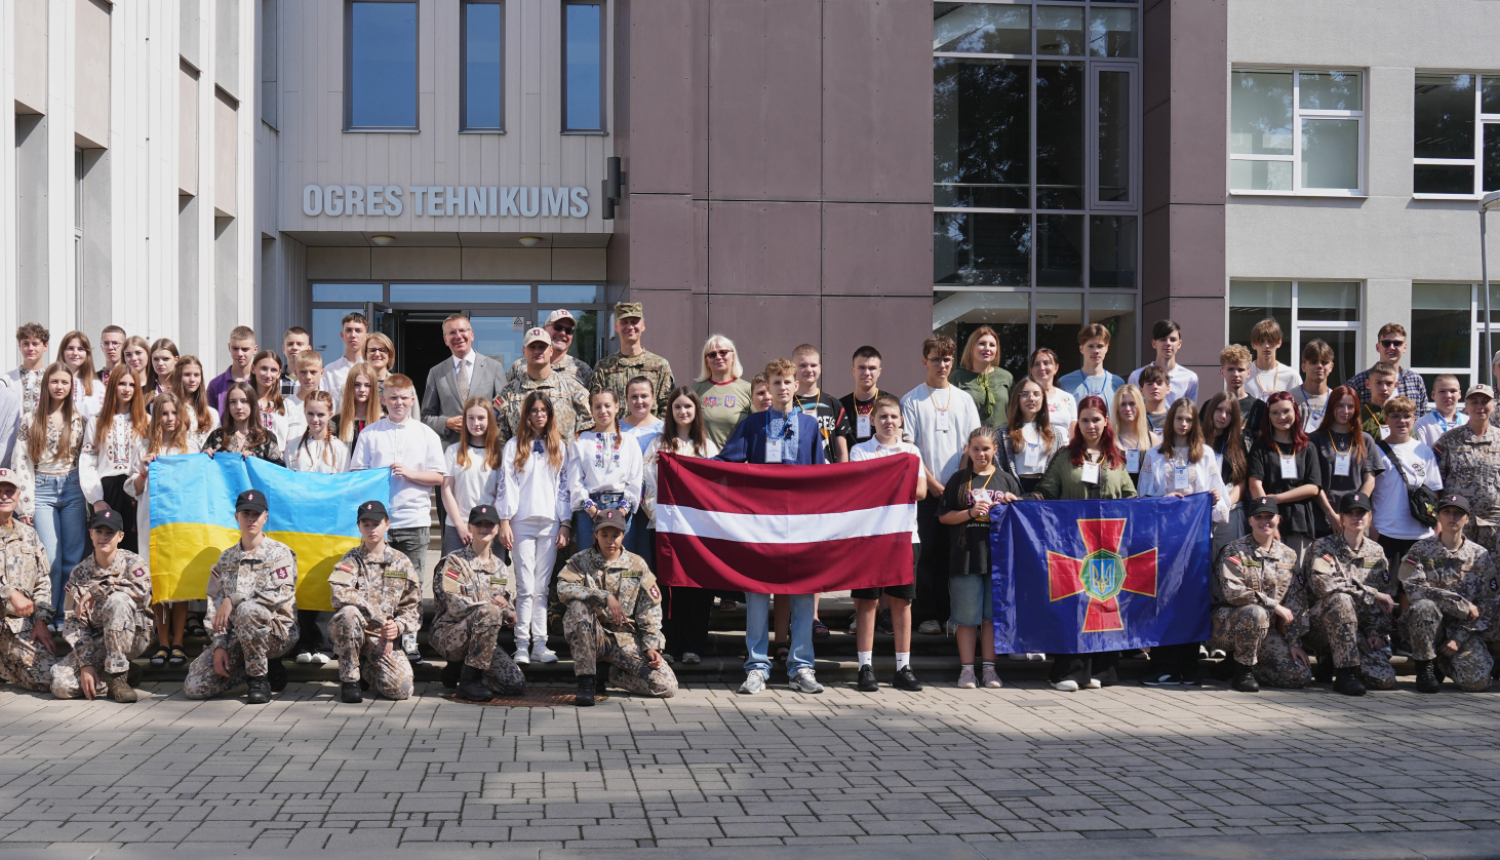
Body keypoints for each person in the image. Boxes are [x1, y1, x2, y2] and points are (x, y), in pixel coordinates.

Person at [719, 358, 827, 695]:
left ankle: (802, 666)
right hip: (761, 523)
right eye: (774, 383)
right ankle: (756, 666)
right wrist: (686, 466)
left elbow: (822, 475)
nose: (781, 388)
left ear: (797, 387)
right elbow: (726, 461)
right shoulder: (753, 425)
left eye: (787, 382)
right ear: (766, 388)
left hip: (799, 524)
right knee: (755, 593)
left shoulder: (809, 427)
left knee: (803, 594)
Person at [1027, 396, 1137, 691]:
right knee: (1075, 607)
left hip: (1109, 548)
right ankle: (1068, 671)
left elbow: (1131, 499)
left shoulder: (1116, 458)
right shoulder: (1065, 457)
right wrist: (1023, 502)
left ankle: (1102, 670)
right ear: (1078, 423)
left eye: (1096, 419)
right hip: (1072, 546)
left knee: (1105, 604)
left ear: (1105, 422)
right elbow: (1045, 492)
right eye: (1085, 420)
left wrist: (1165, 504)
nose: (1091, 425)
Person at [1137, 397, 1230, 686]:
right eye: (1179, 419)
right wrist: (1162, 501)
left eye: (1189, 420)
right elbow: (1142, 500)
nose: (1184, 424)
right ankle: (1163, 665)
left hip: (1195, 544)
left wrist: (1213, 499)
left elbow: (1222, 509)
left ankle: (1189, 666)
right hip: (1164, 542)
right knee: (1163, 600)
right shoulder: (1155, 455)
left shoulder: (1206, 456)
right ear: (1171, 421)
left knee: (1190, 602)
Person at [349, 374, 446, 642]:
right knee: (377, 582)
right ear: (383, 400)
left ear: (412, 400)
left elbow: (438, 476)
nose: (398, 403)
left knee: (410, 583)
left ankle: (409, 639)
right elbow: (356, 474)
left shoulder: (426, 434)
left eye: (404, 398)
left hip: (414, 519)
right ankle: (377, 636)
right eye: (393, 398)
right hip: (378, 524)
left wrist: (410, 473)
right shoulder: (370, 433)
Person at [183, 490, 297, 704]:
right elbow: (214, 606)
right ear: (237, 517)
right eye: (246, 513)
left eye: (256, 514)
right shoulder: (226, 558)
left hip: (276, 633)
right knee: (195, 686)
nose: (251, 519)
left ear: (266, 517)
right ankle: (253, 668)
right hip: (237, 635)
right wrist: (218, 645)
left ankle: (259, 681)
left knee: (247, 610)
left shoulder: (280, 553)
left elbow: (281, 594)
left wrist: (235, 598)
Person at [901, 336, 981, 637]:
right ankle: (927, 615)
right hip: (925, 491)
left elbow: (971, 445)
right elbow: (910, 448)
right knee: (927, 554)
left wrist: (958, 482)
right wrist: (934, 484)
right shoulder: (912, 400)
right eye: (936, 359)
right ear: (925, 361)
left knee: (957, 556)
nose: (942, 365)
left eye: (947, 360)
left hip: (959, 492)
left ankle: (954, 615)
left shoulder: (964, 399)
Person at [848, 394, 928, 692]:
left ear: (901, 420)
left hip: (905, 536)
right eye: (882, 417)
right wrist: (893, 480)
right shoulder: (860, 451)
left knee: (902, 602)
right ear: (872, 420)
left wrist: (886, 480)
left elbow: (920, 492)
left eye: (894, 417)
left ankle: (903, 667)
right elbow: (862, 489)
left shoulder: (911, 451)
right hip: (869, 538)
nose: (888, 422)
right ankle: (864, 666)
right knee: (867, 602)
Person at [558, 506, 677, 706]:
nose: (610, 540)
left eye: (615, 535)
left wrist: (652, 645)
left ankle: (610, 674)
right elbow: (563, 588)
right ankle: (587, 681)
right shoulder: (581, 561)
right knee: (577, 607)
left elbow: (650, 609)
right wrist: (602, 596)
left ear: (623, 535)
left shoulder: (637, 565)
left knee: (666, 685)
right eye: (604, 535)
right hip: (593, 636)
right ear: (595, 534)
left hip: (625, 638)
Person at [643, 387, 719, 663]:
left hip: (699, 532)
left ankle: (693, 646)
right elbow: (645, 485)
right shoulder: (658, 445)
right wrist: (660, 515)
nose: (683, 412)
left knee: (697, 588)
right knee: (668, 588)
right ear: (670, 411)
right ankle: (670, 645)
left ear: (696, 411)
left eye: (688, 406)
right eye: (677, 407)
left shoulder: (708, 448)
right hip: (665, 529)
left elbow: (715, 488)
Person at [938, 427, 1016, 690]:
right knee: (966, 617)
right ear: (968, 450)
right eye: (975, 449)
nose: (981, 454)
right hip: (966, 557)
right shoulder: (958, 480)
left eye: (986, 449)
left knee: (990, 618)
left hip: (997, 559)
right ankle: (967, 671)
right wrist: (970, 513)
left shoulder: (1005, 480)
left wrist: (1010, 503)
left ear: (995, 450)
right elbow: (944, 517)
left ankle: (990, 670)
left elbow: (1020, 517)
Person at [1207, 496, 1312, 692]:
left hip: (1266, 630)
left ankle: (1245, 667)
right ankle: (1242, 672)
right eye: (1259, 517)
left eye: (1269, 516)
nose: (1265, 521)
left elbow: (1296, 600)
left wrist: (1294, 642)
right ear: (1250, 521)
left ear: (1278, 519)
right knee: (1256, 612)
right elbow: (1233, 592)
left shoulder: (1289, 555)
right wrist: (1272, 604)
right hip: (1227, 625)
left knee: (1300, 676)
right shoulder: (1234, 551)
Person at [498, 391, 572, 666]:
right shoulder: (514, 446)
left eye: (543, 410)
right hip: (522, 522)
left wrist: (565, 523)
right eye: (534, 410)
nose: (539, 415)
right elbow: (506, 484)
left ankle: (540, 644)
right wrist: (505, 520)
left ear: (549, 414)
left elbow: (564, 487)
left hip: (550, 522)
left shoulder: (559, 447)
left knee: (541, 587)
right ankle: (521, 645)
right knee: (525, 585)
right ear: (527, 415)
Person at [12, 363, 86, 631]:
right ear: (46, 385)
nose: (59, 387)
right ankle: (46, 614)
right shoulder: (31, 419)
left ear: (70, 387)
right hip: (42, 488)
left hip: (72, 487)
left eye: (64, 382)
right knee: (51, 557)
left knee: (73, 558)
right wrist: (26, 506)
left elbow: (85, 457)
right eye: (54, 381)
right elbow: (21, 461)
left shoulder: (78, 418)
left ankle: (66, 617)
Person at [50, 508, 151, 702]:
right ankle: (123, 673)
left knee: (118, 599)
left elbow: (142, 595)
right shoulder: (79, 573)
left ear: (120, 536)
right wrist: (86, 664)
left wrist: (99, 590)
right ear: (91, 534)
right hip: (98, 641)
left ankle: (118, 678)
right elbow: (73, 622)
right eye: (99, 531)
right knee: (61, 686)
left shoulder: (134, 563)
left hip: (134, 636)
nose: (103, 537)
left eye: (110, 533)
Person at [1398, 494, 1496, 693]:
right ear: (1438, 517)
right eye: (1447, 512)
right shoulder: (1420, 549)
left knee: (1477, 682)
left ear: (1467, 519)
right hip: (1426, 627)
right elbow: (1415, 590)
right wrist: (1461, 604)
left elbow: (1490, 601)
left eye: (1459, 513)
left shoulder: (1480, 556)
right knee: (1424, 606)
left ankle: (1442, 664)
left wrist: (1458, 638)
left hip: (1464, 629)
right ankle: (1425, 668)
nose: (1453, 517)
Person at [125, 392, 195, 668]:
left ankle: (178, 642)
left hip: (180, 524)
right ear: (156, 417)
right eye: (163, 413)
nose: (168, 419)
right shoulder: (143, 446)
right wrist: (143, 471)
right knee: (157, 584)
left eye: (173, 413)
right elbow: (134, 489)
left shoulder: (190, 448)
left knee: (178, 583)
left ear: (180, 417)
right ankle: (162, 641)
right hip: (151, 523)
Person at [327, 500, 420, 703]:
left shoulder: (401, 562)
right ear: (359, 527)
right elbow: (339, 593)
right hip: (355, 631)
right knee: (348, 614)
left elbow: (412, 606)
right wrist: (374, 612)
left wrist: (398, 626)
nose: (370, 529)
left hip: (383, 638)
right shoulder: (351, 559)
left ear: (387, 524)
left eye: (375, 524)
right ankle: (350, 680)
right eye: (365, 524)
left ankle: (367, 668)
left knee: (401, 689)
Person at [1305, 492, 1398, 696]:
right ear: (1341, 518)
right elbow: (1324, 586)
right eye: (1350, 513)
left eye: (1361, 513)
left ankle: (1331, 660)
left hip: (1357, 628)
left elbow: (1384, 598)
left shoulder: (1377, 552)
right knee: (1341, 599)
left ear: (1369, 517)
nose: (1356, 517)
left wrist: (1375, 632)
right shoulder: (1322, 547)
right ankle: (1345, 673)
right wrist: (1371, 593)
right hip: (1320, 626)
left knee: (1384, 679)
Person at [432, 504, 525, 702]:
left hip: (481, 640)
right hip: (450, 633)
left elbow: (501, 600)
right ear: (469, 527)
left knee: (514, 683)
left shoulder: (499, 567)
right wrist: (495, 608)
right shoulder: (453, 562)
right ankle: (469, 681)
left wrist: (509, 610)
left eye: (489, 525)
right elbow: (454, 604)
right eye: (478, 524)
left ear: (498, 529)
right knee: (490, 612)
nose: (484, 529)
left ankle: (460, 669)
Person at [284, 390, 348, 667]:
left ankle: (325, 643)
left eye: (321, 414)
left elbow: (345, 487)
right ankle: (305, 641)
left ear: (330, 414)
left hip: (330, 525)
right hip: (300, 523)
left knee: (325, 578)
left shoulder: (341, 449)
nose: (315, 419)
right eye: (310, 413)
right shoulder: (292, 447)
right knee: (303, 578)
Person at [567, 389, 644, 565]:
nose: (603, 411)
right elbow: (574, 480)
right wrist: (593, 512)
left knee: (621, 566)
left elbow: (635, 479)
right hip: (590, 511)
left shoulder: (629, 441)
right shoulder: (581, 440)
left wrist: (622, 511)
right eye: (598, 406)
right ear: (591, 409)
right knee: (589, 565)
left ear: (617, 407)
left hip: (621, 509)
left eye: (607, 406)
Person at [1369, 395, 1442, 572]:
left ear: (1414, 419)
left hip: (1421, 533)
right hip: (1386, 532)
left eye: (1407, 416)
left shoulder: (1423, 451)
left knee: (1412, 592)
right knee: (1386, 590)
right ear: (1386, 419)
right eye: (1395, 416)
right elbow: (1368, 492)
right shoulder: (1376, 451)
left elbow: (1434, 493)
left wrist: (1437, 525)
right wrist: (1372, 529)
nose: (1402, 421)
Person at [0, 468, 58, 692]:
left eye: (9, 491)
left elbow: (43, 581)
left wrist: (41, 620)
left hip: (17, 627)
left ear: (18, 496)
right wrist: (9, 593)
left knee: (48, 679)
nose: (4, 496)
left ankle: (110, 675)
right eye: (0, 491)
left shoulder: (29, 534)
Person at [1247, 392, 1321, 564]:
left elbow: (1313, 487)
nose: (1282, 417)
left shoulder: (1307, 446)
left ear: (1295, 412)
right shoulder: (1260, 446)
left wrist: (1277, 499)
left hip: (1299, 520)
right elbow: (1254, 484)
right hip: (1268, 520)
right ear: (1268, 416)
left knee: (1298, 574)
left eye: (1286, 411)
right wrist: (1268, 518)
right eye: (1275, 413)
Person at [80, 369, 150, 553]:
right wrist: (96, 499)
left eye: (132, 384)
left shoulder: (146, 422)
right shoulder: (97, 422)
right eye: (122, 384)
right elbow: (88, 461)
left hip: (136, 489)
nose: (127, 389)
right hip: (107, 491)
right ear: (113, 386)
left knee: (135, 547)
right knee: (106, 546)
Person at [420, 315, 506, 449]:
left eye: (462, 331)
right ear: (445, 340)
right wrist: (446, 422)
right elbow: (425, 417)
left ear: (471, 334)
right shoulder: (436, 372)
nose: (458, 336)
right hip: (449, 451)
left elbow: (503, 408)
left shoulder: (494, 367)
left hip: (485, 450)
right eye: (452, 333)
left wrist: (483, 420)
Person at [1433, 384, 1500, 557]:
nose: (1480, 406)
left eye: (1485, 401)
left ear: (1493, 405)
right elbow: (1434, 483)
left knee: (1494, 577)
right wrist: (1436, 517)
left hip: (1494, 524)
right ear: (1466, 406)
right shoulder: (1449, 440)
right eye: (1474, 402)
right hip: (1457, 523)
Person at [495, 328, 592, 444]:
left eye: (542, 347)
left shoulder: (572, 388)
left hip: (564, 460)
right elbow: (497, 430)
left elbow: (591, 422)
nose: (537, 351)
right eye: (532, 347)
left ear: (551, 351)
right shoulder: (509, 393)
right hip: (522, 459)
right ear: (524, 352)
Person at [1309, 385, 1381, 537]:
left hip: (1356, 519)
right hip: (1323, 519)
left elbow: (1370, 480)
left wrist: (1355, 509)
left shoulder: (1365, 440)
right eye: (1340, 406)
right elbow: (1313, 483)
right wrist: (1331, 515)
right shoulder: (1314, 439)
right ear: (1331, 406)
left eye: (1350, 406)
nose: (1345, 411)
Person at [440, 397, 502, 557]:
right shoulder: (453, 451)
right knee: (452, 578)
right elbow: (446, 491)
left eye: (481, 418)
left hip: (489, 528)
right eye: (471, 418)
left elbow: (502, 493)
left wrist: (488, 523)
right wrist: (460, 525)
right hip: (458, 527)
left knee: (490, 578)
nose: (476, 423)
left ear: (490, 420)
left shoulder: (499, 453)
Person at [590, 302, 675, 415]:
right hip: (615, 431)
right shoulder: (604, 367)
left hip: (651, 432)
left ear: (643, 325)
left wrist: (658, 431)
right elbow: (595, 403)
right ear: (616, 326)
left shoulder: (659, 365)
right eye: (624, 322)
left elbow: (667, 405)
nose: (630, 327)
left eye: (634, 322)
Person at [1203, 392, 1250, 560]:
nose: (1223, 416)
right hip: (1202, 510)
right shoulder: (1197, 439)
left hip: (1230, 510)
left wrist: (1226, 503)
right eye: (1219, 409)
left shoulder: (1238, 441)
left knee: (1228, 563)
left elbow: (1241, 482)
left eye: (1229, 413)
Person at [789, 344, 852, 464]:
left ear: (820, 368)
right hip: (796, 474)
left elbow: (842, 452)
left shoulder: (834, 404)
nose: (809, 369)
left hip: (827, 476)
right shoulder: (786, 403)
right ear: (793, 368)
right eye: (802, 365)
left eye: (813, 365)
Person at [1348, 323, 1429, 415]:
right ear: (1378, 347)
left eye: (1397, 343)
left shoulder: (1415, 380)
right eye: (1386, 343)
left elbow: (1422, 416)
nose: (1391, 347)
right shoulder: (1359, 382)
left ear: (1404, 348)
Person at [692, 334, 752, 449]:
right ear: (706, 361)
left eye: (723, 352)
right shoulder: (694, 392)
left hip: (737, 464)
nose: (718, 357)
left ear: (733, 356)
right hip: (706, 462)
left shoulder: (749, 390)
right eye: (712, 355)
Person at [203, 382, 285, 465]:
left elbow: (279, 471)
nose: (238, 406)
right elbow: (201, 470)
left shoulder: (266, 438)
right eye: (233, 402)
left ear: (252, 404)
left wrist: (256, 462)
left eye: (244, 401)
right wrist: (205, 457)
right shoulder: (217, 436)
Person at [508, 309, 592, 387]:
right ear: (544, 329)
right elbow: (504, 398)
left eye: (568, 330)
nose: (563, 333)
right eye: (558, 327)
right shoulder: (519, 366)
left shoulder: (582, 370)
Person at [1004, 376, 1058, 494]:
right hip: (1014, 493)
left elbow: (1059, 470)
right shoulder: (1003, 434)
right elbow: (998, 469)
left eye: (1036, 394)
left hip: (1045, 494)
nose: (1031, 398)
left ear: (1043, 398)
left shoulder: (1055, 433)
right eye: (1025, 394)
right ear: (1017, 398)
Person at [951, 326, 1013, 429]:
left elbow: (1016, 412)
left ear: (997, 351)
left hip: (1002, 442)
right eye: (982, 344)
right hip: (969, 441)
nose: (987, 348)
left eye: (992, 345)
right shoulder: (957, 377)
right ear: (971, 347)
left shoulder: (1006, 377)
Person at [1128, 319, 1198, 406]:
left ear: (1179, 344)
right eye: (1163, 339)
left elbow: (1190, 414)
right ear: (1154, 343)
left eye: (1173, 340)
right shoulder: (1137, 376)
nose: (1168, 343)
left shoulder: (1189, 379)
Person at [1207, 345, 1267, 442]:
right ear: (1222, 372)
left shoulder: (1259, 408)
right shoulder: (1210, 406)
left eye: (1240, 370)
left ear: (1248, 373)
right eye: (1230, 369)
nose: (1236, 374)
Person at [1058, 324, 1125, 406]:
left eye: (1100, 346)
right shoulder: (1065, 383)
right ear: (1081, 349)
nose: (1096, 351)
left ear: (1106, 348)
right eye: (1091, 346)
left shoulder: (1117, 383)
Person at [1111, 383, 1158, 487]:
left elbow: (1158, 477)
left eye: (1132, 403)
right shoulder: (1108, 439)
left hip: (1144, 500)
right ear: (1117, 408)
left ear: (1140, 406)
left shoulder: (1152, 439)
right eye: (1123, 404)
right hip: (1117, 501)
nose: (1128, 409)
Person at [251, 350, 300, 446]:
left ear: (279, 374)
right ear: (253, 369)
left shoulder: (287, 405)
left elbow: (294, 441)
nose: (268, 375)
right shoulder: (243, 403)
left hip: (279, 460)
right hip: (249, 459)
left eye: (273, 370)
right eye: (263, 368)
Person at [320, 312, 369, 408]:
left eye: (358, 330)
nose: (353, 335)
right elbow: (323, 406)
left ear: (367, 337)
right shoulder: (330, 371)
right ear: (342, 335)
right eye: (349, 330)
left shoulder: (373, 369)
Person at [1244, 318, 1301, 400]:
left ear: (1279, 343)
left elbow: (1298, 408)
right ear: (1253, 345)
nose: (1266, 346)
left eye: (1270, 341)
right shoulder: (1244, 375)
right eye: (1261, 341)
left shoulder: (1291, 376)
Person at [1029, 348, 1078, 442]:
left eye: (1046, 363)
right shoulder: (1026, 398)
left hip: (1063, 454)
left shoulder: (1068, 398)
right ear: (1031, 370)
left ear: (1056, 368)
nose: (1042, 368)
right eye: (1037, 364)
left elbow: (1073, 436)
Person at [840, 345, 885, 447]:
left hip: (882, 462)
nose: (867, 373)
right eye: (861, 367)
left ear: (879, 372)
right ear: (853, 371)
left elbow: (897, 444)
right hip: (852, 462)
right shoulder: (840, 406)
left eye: (872, 368)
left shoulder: (891, 403)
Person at [206, 325, 258, 413]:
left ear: (255, 349)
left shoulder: (260, 382)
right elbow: (209, 420)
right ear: (229, 347)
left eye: (245, 349)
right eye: (235, 348)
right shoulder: (215, 385)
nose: (239, 353)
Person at [333, 363, 384, 453]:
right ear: (349, 387)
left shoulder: (383, 421)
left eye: (367, 385)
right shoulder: (336, 422)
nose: (362, 389)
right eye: (357, 384)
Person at [172, 355, 219, 450]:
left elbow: (217, 445)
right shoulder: (170, 409)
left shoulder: (212, 413)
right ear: (178, 377)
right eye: (187, 375)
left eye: (196, 375)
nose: (192, 379)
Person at [1289, 339, 1336, 434]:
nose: (1319, 366)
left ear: (1331, 367)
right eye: (1313, 362)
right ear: (1303, 367)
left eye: (1324, 362)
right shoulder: (1290, 398)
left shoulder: (1336, 399)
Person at [58, 331, 105, 420]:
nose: (75, 353)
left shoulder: (97, 386)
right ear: (63, 352)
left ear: (87, 353)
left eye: (80, 349)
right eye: (70, 348)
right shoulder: (53, 383)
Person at [4, 322, 49, 413]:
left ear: (45, 346)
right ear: (19, 346)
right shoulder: (8, 379)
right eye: (26, 344)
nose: (30, 348)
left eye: (35, 344)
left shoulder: (52, 377)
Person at [1415, 374, 1465, 449]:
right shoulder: (1422, 424)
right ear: (1433, 395)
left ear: (1459, 394)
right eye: (1442, 391)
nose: (1448, 395)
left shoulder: (1468, 422)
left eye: (1453, 391)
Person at [621, 376, 664, 453]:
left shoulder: (664, 429)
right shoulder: (615, 428)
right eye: (634, 397)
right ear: (627, 399)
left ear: (653, 398)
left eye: (644, 396)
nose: (639, 401)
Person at [1359, 362, 1400, 437]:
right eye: (1378, 383)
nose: (1384, 388)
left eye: (1389, 383)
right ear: (1368, 384)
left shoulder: (1401, 414)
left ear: (1395, 385)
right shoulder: (1359, 416)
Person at [289, 351, 324, 418]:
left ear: (321, 373)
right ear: (296, 373)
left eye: (313, 372)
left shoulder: (329, 403)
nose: (308, 377)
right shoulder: (288, 404)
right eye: (303, 372)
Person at [1137, 365, 1171, 434]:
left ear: (1168, 389)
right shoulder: (1136, 418)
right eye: (1149, 384)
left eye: (1159, 383)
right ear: (1141, 391)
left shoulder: (1175, 417)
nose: (1155, 387)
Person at [279, 326, 311, 396]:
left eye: (299, 344)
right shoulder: (275, 379)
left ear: (309, 349)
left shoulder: (315, 380)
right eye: (290, 344)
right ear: (284, 349)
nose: (294, 347)